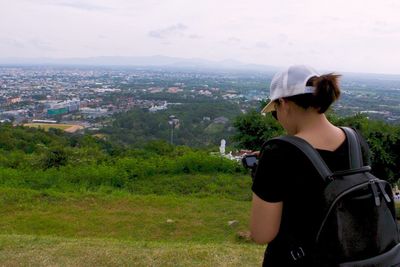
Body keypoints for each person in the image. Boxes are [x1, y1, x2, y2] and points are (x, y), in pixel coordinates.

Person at [249, 65, 370, 266]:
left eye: (275, 111)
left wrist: (262, 176)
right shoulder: (356, 142)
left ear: (284, 103)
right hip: (352, 258)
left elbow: (262, 234)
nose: (277, 118)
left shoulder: (278, 153)